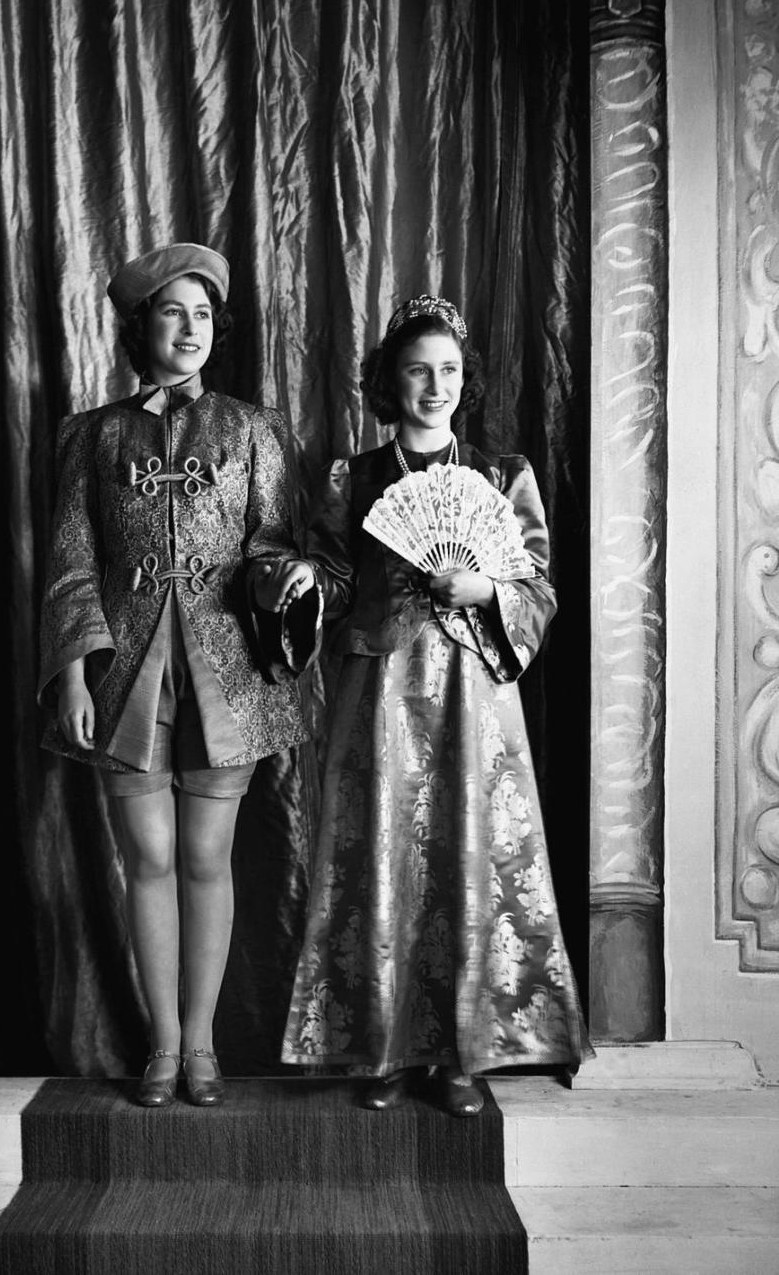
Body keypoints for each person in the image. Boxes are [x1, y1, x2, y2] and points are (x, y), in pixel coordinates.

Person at [279, 294, 592, 1115]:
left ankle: (465, 1054)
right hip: (378, 692)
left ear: (466, 380)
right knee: (380, 855)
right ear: (390, 380)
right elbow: (338, 576)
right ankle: (378, 1048)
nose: (435, 386)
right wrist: (312, 581)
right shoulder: (353, 476)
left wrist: (485, 583)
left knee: (468, 855)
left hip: (474, 696)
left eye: (449, 371)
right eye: (418, 370)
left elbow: (539, 589)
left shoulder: (502, 476)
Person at [38, 243, 316, 1108]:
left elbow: (275, 539)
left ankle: (201, 1047)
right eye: (171, 311)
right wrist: (74, 675)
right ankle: (160, 1046)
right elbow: (70, 565)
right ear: (139, 325)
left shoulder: (254, 429)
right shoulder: (91, 436)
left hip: (227, 670)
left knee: (205, 854)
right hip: (126, 674)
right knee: (147, 855)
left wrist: (287, 575)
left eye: (202, 314)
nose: (189, 328)